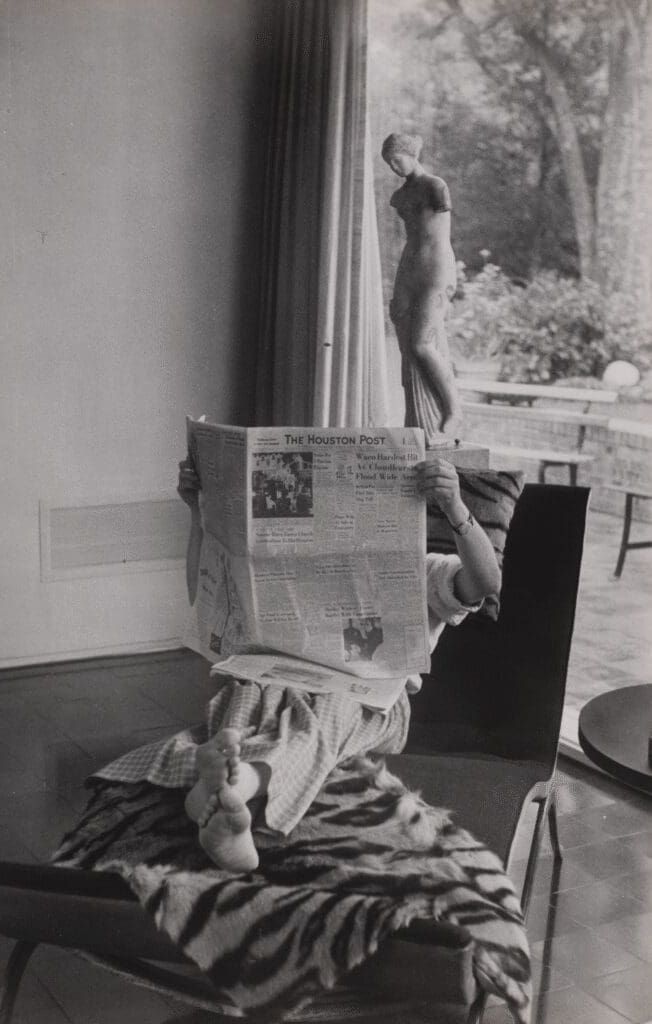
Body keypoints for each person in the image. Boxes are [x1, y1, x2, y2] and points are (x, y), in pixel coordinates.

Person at [96, 456, 500, 874]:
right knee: (244, 696)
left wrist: (455, 507)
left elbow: (487, 583)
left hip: (369, 700)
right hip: (281, 680)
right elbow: (205, 591)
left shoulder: (423, 567)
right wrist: (199, 509)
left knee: (321, 717)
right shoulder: (293, 561)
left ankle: (240, 784)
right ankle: (215, 786)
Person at [381, 132, 462, 443]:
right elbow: (411, 240)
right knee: (405, 344)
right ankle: (419, 418)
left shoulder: (435, 187)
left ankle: (453, 411)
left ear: (411, 154)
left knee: (421, 344)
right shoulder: (399, 197)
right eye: (388, 162)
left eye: (396, 159)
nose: (393, 166)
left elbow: (438, 235)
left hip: (436, 268)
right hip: (410, 267)